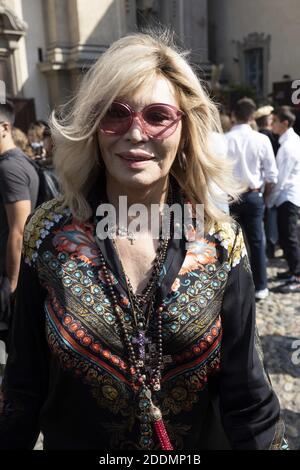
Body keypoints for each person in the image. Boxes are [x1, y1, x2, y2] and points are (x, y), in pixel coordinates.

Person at [0, 31, 286, 450]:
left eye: (156, 116)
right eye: (116, 114)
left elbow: (248, 399)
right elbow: (23, 389)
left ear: (184, 129)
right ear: (95, 126)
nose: (135, 134)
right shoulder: (47, 232)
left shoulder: (221, 240)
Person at [226, 98, 278, 300]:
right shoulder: (261, 139)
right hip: (254, 193)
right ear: (252, 116)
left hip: (230, 196)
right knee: (257, 241)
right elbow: (272, 175)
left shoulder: (225, 139)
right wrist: (265, 197)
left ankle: (235, 288)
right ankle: (261, 286)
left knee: (231, 244)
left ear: (233, 116)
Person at [0, 102, 39, 347]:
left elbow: (19, 229)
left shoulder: (9, 168)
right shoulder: (17, 162)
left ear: (5, 127)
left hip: (8, 281)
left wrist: (13, 287)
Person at [268, 106, 300, 293]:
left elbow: (281, 179)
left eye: (275, 121)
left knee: (289, 237)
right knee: (288, 237)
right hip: (288, 196)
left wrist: (269, 201)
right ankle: (292, 270)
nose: (272, 125)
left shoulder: (288, 147)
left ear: (284, 123)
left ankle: (297, 275)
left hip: (287, 197)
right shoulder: (292, 142)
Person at [254, 105, 280, 259]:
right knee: (269, 219)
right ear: (267, 120)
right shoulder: (268, 137)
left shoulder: (261, 135)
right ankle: (271, 247)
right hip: (268, 185)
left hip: (260, 185)